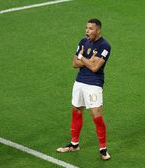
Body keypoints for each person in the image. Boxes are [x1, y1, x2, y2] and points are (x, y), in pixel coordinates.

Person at [56, 18, 111, 160]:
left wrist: (82, 58)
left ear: (98, 30)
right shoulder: (82, 42)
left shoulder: (105, 46)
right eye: (86, 28)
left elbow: (95, 67)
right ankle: (74, 144)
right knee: (76, 110)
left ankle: (103, 149)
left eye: (90, 29)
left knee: (96, 116)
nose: (87, 31)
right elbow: (74, 63)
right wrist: (88, 59)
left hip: (94, 84)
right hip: (79, 82)